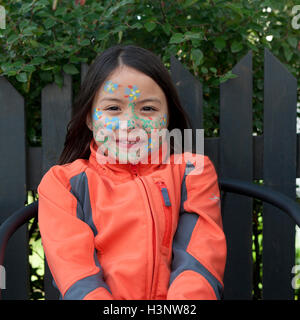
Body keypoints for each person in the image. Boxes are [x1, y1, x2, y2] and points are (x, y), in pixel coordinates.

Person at [37, 44, 227, 300]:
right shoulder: (63, 184)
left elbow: (199, 262)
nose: (129, 124)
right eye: (113, 108)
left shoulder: (193, 172)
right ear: (90, 118)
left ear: (167, 116)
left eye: (148, 109)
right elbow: (77, 277)